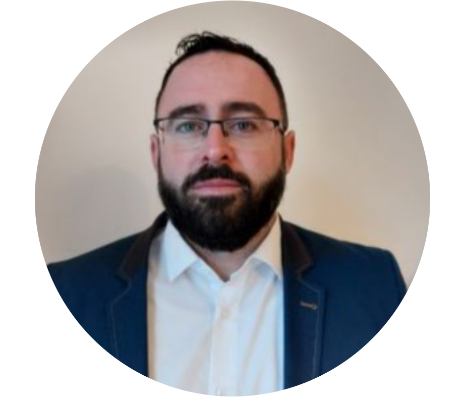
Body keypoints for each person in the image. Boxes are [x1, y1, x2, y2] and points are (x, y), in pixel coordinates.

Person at [48, 32, 406, 395]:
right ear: (156, 153)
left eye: (243, 125)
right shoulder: (65, 296)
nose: (216, 150)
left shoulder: (375, 287)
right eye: (188, 125)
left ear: (288, 151)